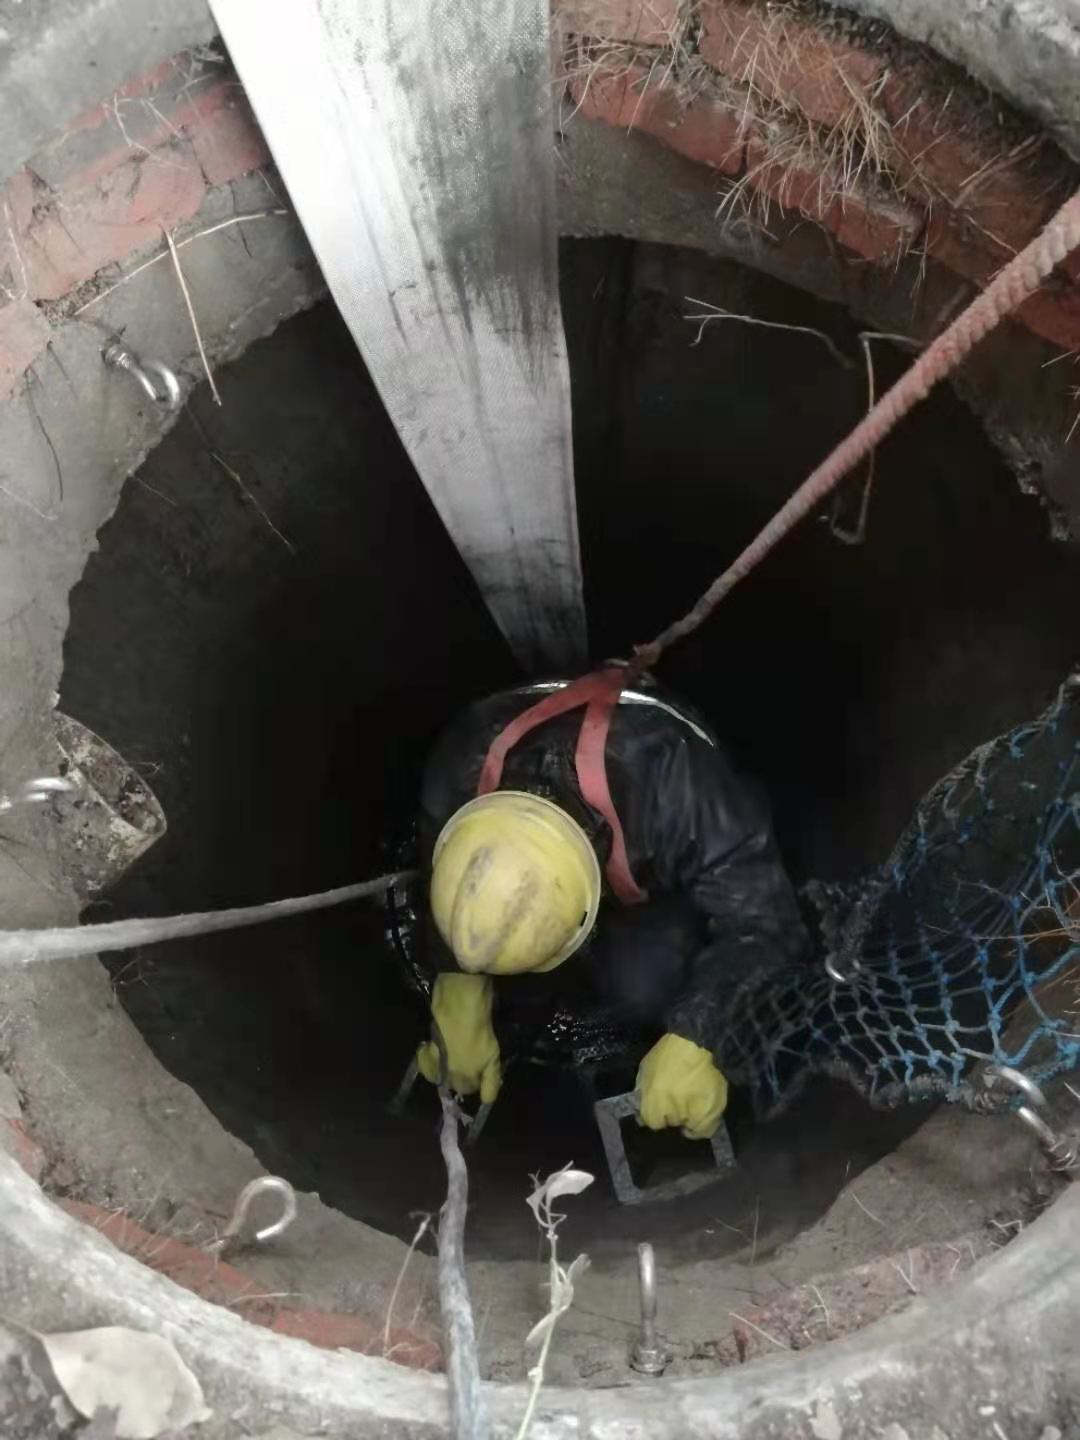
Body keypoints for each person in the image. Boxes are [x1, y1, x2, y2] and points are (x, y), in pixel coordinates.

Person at [413, 667, 807, 1140]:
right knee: (518, 982)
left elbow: (765, 919)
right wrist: (459, 982)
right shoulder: (458, 767)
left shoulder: (677, 785)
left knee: (642, 984)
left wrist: (699, 1036)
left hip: (658, 854)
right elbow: (441, 873)